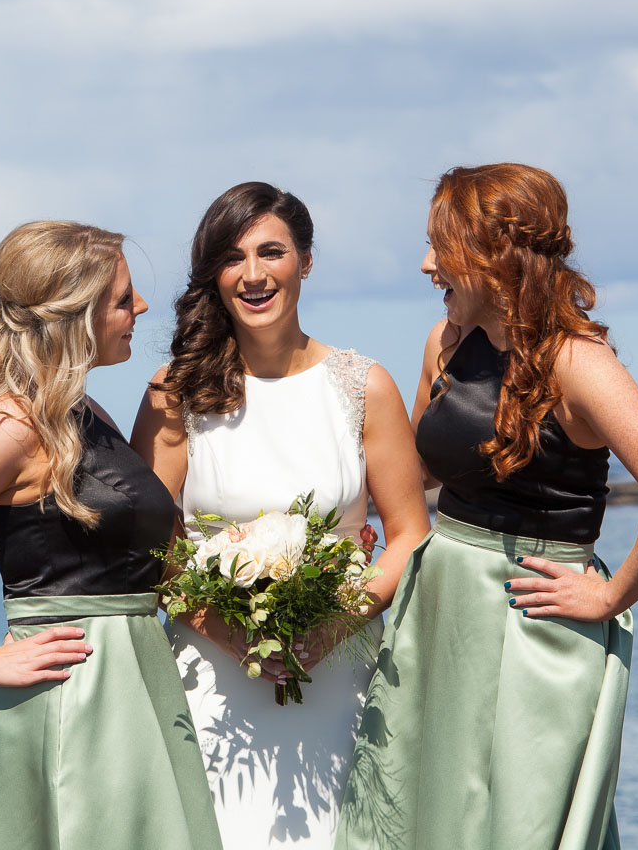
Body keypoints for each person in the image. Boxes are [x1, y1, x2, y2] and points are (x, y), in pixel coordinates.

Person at [336, 164, 638, 850]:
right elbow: (419, 470)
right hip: (439, 602)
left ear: (495, 254)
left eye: (440, 248)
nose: (425, 265)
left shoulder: (579, 362)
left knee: (520, 819)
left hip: (529, 614)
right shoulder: (444, 342)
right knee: (421, 810)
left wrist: (609, 597)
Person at [0, 221, 221, 850]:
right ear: (75, 315)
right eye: (122, 299)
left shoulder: (81, 412)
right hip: (77, 690)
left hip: (137, 679)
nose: (140, 308)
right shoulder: (10, 421)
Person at [131, 182, 430, 850]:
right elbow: (149, 549)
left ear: (306, 261)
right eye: (234, 258)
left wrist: (328, 630)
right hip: (211, 674)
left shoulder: (363, 385)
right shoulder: (176, 392)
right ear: (214, 273)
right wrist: (231, 637)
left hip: (341, 668)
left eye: (272, 252)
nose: (254, 274)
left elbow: (409, 535)